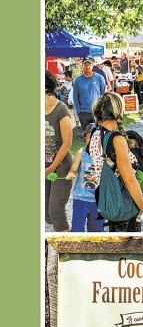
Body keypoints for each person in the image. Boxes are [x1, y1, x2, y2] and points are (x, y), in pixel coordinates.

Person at [88, 92, 143, 232]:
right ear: (118, 111)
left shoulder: (95, 134)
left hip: (108, 200)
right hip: (124, 202)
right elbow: (129, 180)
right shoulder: (117, 140)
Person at [45, 70, 73, 231]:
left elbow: (67, 143)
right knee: (46, 213)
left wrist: (51, 168)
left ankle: (67, 249)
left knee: (55, 211)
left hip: (60, 166)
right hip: (44, 167)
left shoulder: (60, 109)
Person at [66, 123, 103, 232]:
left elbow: (109, 174)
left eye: (96, 138)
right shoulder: (81, 153)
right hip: (80, 198)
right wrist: (71, 173)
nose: (92, 141)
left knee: (97, 229)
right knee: (77, 228)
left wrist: (99, 177)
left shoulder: (104, 156)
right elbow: (73, 168)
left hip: (98, 200)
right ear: (85, 138)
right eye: (89, 137)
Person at [72, 55, 106, 134]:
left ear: (93, 64)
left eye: (89, 64)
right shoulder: (77, 80)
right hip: (83, 113)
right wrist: (79, 111)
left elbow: (104, 95)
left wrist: (102, 109)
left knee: (99, 135)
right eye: (85, 64)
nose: (87, 67)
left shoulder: (100, 78)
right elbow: (75, 97)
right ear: (82, 65)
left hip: (97, 112)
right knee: (86, 136)